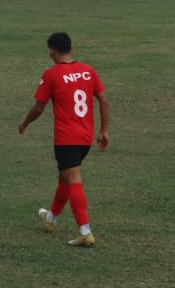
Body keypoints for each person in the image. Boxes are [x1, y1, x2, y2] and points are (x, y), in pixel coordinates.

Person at [18, 32, 110, 248]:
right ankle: (50, 219)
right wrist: (104, 130)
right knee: (65, 178)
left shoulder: (52, 74)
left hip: (66, 138)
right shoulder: (89, 71)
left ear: (52, 51)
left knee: (74, 179)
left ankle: (85, 231)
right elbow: (104, 100)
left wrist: (25, 123)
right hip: (85, 137)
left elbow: (39, 107)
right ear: (72, 47)